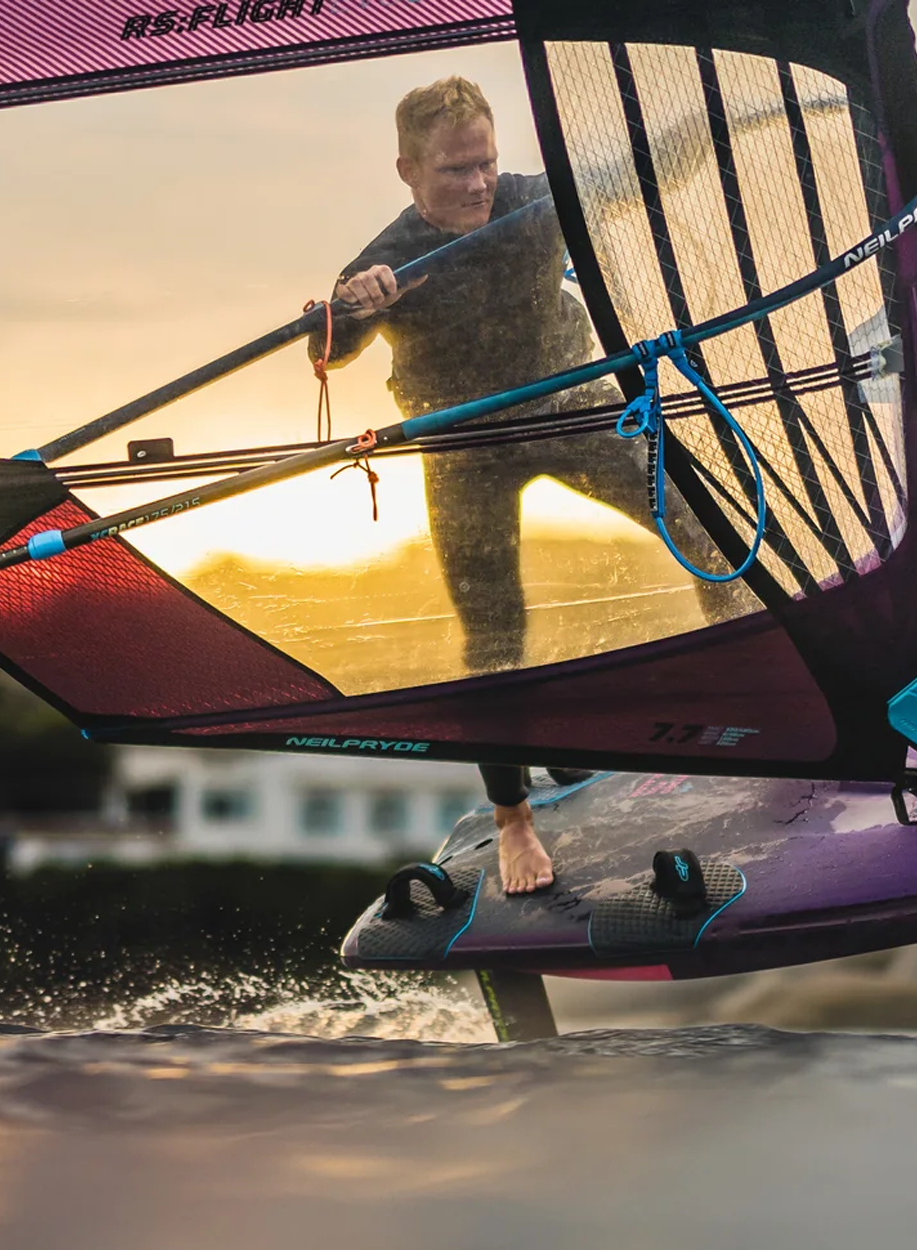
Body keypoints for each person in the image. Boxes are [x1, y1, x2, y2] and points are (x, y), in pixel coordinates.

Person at [317, 77, 752, 893]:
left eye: (485, 162)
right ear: (408, 170)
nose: (478, 183)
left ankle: (756, 711)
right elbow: (331, 347)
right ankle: (514, 823)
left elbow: (648, 169)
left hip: (569, 407)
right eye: (455, 170)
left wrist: (722, 117)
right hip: (468, 445)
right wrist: (353, 309)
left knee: (708, 531)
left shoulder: (534, 202)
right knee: (492, 635)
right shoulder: (386, 261)